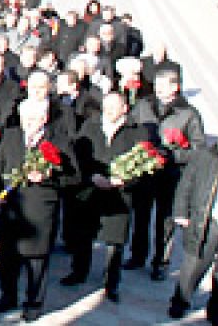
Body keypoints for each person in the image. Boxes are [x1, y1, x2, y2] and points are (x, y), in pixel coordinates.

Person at [0, 98, 76, 322]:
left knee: (36, 262)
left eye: (34, 118)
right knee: (7, 259)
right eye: (25, 118)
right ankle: (8, 296)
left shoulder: (59, 141)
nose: (29, 122)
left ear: (45, 119)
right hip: (12, 210)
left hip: (40, 210)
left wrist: (49, 176)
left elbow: (74, 177)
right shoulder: (10, 136)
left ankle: (33, 303)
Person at [63, 92, 148, 302]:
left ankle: (111, 283)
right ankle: (79, 272)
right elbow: (80, 155)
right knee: (84, 234)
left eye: (114, 107)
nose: (109, 111)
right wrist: (91, 175)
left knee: (114, 242)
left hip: (118, 194)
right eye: (106, 106)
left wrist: (124, 181)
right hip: (91, 188)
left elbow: (143, 165)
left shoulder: (136, 133)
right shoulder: (91, 127)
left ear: (124, 109)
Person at [128, 68, 205, 279]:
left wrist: (173, 155)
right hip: (144, 171)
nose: (158, 89)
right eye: (156, 85)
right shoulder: (144, 105)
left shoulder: (188, 114)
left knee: (165, 220)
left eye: (163, 86)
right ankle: (137, 255)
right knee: (141, 215)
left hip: (170, 175)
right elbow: (131, 128)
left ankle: (160, 261)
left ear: (175, 87)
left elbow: (199, 149)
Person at [169, 127, 218, 323]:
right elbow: (186, 184)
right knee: (194, 266)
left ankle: (217, 311)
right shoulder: (205, 157)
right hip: (206, 221)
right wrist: (180, 212)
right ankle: (181, 301)